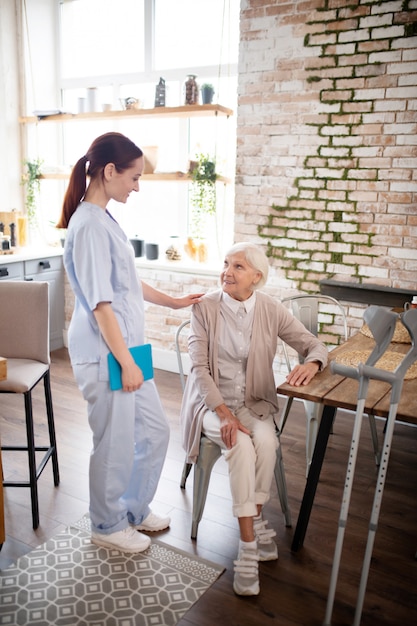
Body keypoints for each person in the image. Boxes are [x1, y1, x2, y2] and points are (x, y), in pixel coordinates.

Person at [57, 132, 203, 554]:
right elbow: (102, 305)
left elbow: (125, 283)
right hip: (106, 355)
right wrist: (127, 361)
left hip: (126, 350)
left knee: (154, 432)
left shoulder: (104, 220)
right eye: (134, 178)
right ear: (109, 172)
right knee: (114, 442)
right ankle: (106, 524)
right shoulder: (86, 226)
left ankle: (133, 510)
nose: (136, 187)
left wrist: (173, 302)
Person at [180, 242, 328, 596]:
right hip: (211, 404)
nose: (227, 272)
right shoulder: (204, 308)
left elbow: (315, 345)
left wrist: (312, 363)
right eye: (226, 264)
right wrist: (224, 413)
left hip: (254, 402)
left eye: (238, 267)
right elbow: (198, 369)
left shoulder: (271, 308)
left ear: (256, 277)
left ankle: (256, 518)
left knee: (266, 441)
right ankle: (248, 546)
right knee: (241, 445)